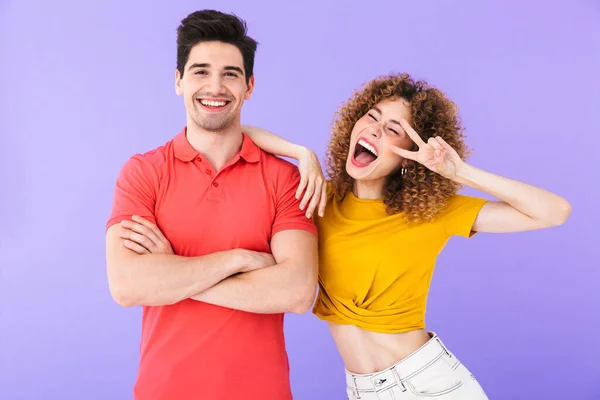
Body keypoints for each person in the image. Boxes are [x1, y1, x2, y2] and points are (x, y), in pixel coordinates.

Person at [121, 73, 572, 399]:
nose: (374, 130)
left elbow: (553, 212)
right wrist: (302, 155)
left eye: (394, 129)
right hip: (361, 389)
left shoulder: (431, 211)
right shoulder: (318, 200)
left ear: (411, 154)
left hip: (428, 383)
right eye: (372, 118)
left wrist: (459, 171)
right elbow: (239, 136)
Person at [105, 10, 318, 400]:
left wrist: (173, 275)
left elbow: (298, 291)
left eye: (231, 74)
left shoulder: (286, 180)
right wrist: (239, 259)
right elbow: (127, 285)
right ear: (178, 82)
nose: (215, 86)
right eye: (200, 71)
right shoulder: (143, 173)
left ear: (249, 86)